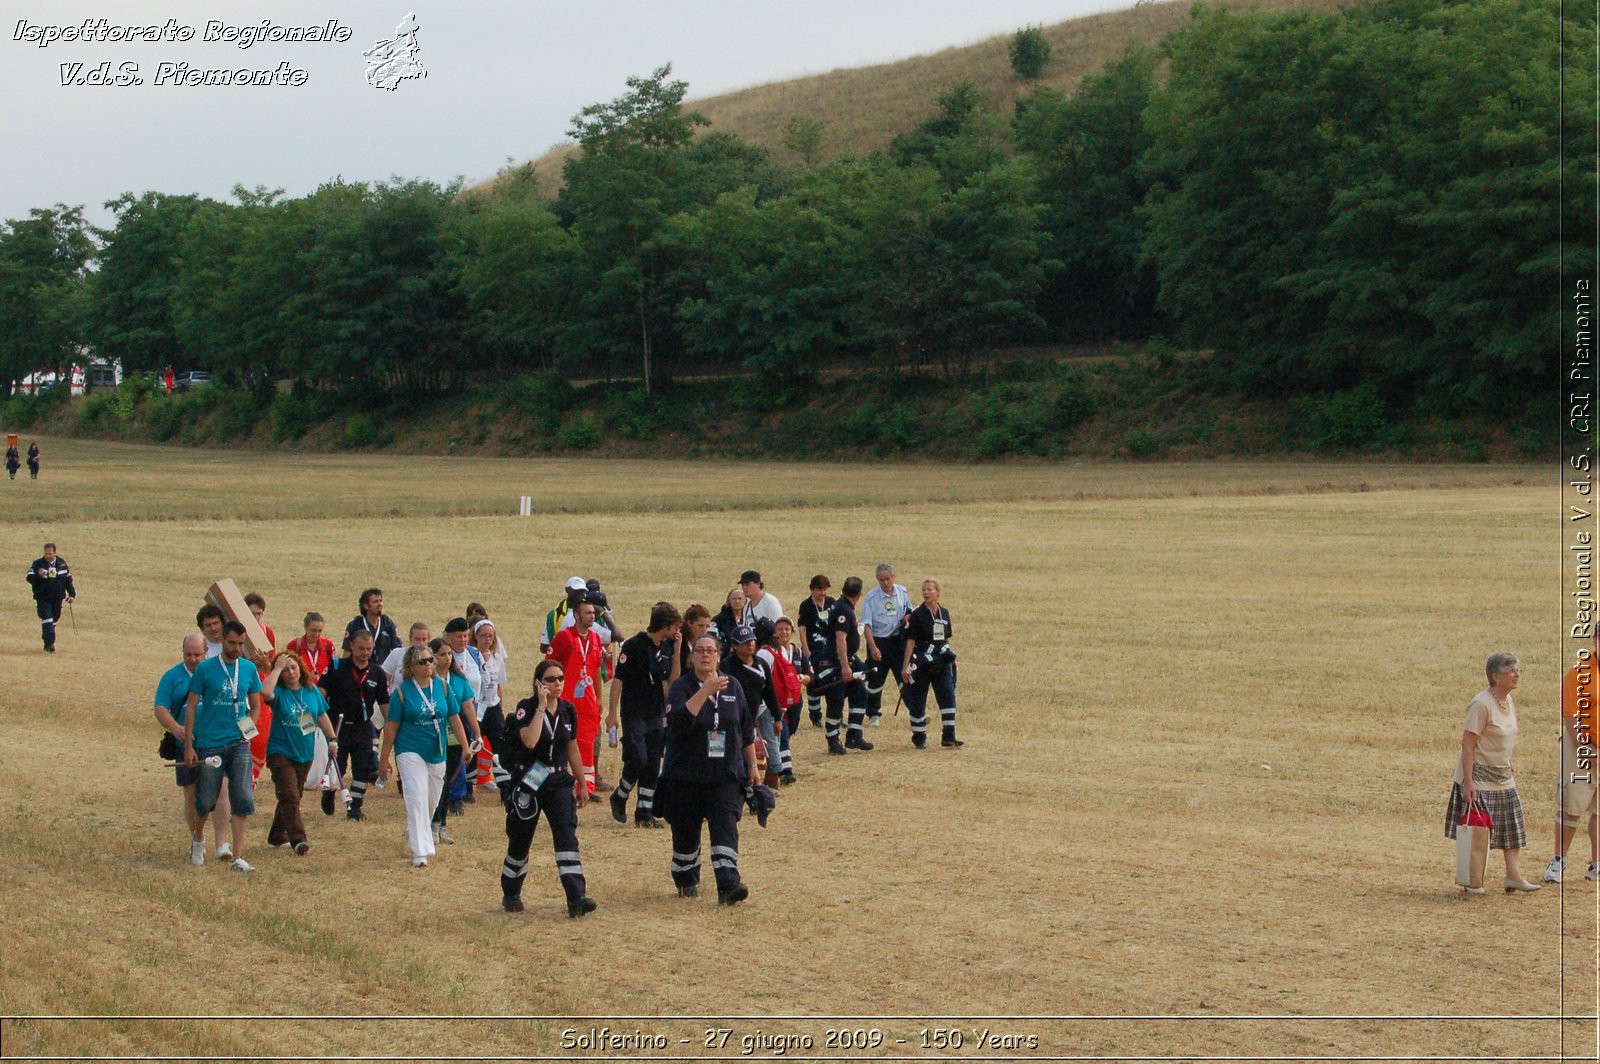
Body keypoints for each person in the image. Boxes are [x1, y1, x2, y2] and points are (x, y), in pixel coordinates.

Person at [661, 633, 760, 904]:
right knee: (685, 833)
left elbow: (745, 729)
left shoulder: (734, 686)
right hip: (687, 776)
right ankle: (685, 878)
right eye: (700, 651)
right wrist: (705, 691)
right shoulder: (682, 687)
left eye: (711, 651)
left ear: (718, 655)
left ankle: (729, 885)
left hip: (725, 774)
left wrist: (752, 765)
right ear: (692, 657)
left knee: (725, 826)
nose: (705, 655)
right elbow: (678, 724)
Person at [499, 659, 596, 917]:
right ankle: (511, 892)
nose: (557, 684)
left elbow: (572, 748)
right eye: (551, 679)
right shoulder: (526, 708)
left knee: (566, 835)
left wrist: (582, 783)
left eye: (560, 678)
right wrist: (541, 707)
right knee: (521, 838)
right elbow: (530, 742)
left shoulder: (568, 710)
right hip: (530, 780)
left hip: (558, 781)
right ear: (538, 683)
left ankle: (577, 898)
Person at [1445, 653, 1540, 894]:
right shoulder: (1481, 704)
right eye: (1511, 671)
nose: (1516, 674)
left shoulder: (1508, 702)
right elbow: (1467, 745)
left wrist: (1508, 763)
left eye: (1517, 670)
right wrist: (1468, 783)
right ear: (1495, 677)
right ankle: (1473, 880)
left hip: (1503, 775)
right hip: (1478, 777)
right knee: (1479, 830)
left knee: (1513, 826)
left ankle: (1513, 876)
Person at [379, 643, 471, 868]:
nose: (429, 664)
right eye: (423, 661)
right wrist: (384, 759)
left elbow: (454, 718)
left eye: (430, 660)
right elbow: (391, 727)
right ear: (411, 666)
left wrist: (466, 746)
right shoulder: (402, 693)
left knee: (432, 798)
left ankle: (416, 828)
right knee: (416, 795)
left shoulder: (442, 687)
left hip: (436, 751)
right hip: (409, 750)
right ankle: (420, 851)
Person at [182, 621, 263, 873]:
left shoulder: (248, 669)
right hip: (209, 744)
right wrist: (189, 745)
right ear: (222, 642)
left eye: (241, 644)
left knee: (242, 798)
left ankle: (238, 856)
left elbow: (257, 705)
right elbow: (192, 706)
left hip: (238, 744)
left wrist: (248, 730)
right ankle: (198, 838)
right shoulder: (205, 669)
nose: (237, 648)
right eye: (232, 643)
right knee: (205, 799)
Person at [154, 633, 232, 864]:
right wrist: (177, 729)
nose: (193, 659)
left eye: (197, 654)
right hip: (185, 745)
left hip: (216, 742)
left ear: (206, 651)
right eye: (188, 655)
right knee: (191, 794)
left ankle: (222, 844)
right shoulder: (172, 677)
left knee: (222, 790)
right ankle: (197, 838)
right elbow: (160, 708)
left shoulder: (218, 673)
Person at [607, 603, 682, 827]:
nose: (677, 632)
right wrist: (612, 714)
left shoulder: (667, 647)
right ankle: (620, 795)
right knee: (638, 757)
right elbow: (618, 680)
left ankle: (644, 813)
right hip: (634, 712)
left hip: (656, 713)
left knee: (652, 764)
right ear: (665, 626)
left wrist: (677, 652)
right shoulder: (633, 646)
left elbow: (673, 681)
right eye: (675, 627)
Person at [260, 649, 338, 855]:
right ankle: (298, 840)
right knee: (289, 794)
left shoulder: (311, 691)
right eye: (286, 670)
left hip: (304, 751)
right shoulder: (279, 693)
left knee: (294, 795)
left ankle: (277, 835)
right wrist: (275, 669)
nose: (290, 672)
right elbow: (265, 693)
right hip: (280, 751)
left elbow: (321, 715)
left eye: (293, 667)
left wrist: (332, 740)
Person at [316, 628, 389, 821]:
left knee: (362, 768)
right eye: (361, 648)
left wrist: (392, 725)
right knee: (336, 766)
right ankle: (329, 792)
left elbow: (384, 704)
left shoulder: (377, 673)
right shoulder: (336, 666)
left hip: (363, 726)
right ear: (352, 647)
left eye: (369, 648)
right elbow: (320, 692)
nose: (365, 653)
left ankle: (354, 807)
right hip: (337, 726)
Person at [1545, 631, 1600, 883]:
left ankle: (1596, 865)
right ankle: (1559, 861)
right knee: (1571, 806)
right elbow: (1571, 715)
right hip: (1580, 747)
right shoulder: (1579, 672)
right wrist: (1584, 747)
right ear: (1595, 641)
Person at [548, 600, 607, 798]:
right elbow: (549, 666)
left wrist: (599, 696)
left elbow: (597, 668)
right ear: (576, 614)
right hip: (567, 698)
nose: (592, 616)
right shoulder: (564, 637)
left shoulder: (596, 638)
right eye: (587, 613)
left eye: (593, 613)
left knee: (587, 741)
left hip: (588, 700)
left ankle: (586, 787)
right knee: (564, 740)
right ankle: (565, 784)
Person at [428, 637, 480, 846]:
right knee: (435, 782)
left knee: (448, 781)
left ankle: (441, 825)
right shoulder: (428, 681)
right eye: (442, 654)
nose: (447, 658)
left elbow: (468, 707)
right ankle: (431, 823)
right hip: (433, 736)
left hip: (455, 736)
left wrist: (476, 733)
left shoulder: (458, 680)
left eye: (449, 654)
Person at [900, 577, 962, 749]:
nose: (926, 593)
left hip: (941, 662)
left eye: (930, 590)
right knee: (918, 699)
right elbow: (910, 641)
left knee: (947, 695)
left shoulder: (944, 613)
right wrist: (906, 666)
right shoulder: (917, 614)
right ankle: (919, 736)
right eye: (924, 590)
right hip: (922, 663)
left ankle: (949, 736)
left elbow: (946, 638)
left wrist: (951, 661)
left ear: (938, 592)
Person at [816, 576, 871, 755]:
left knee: (860, 692)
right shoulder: (843, 610)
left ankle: (854, 735)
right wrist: (845, 666)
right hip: (835, 663)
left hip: (847, 661)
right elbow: (841, 639)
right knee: (836, 699)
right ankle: (832, 740)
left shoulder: (845, 607)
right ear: (860, 594)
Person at [723, 624, 780, 789]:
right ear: (734, 645)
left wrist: (777, 717)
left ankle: (753, 789)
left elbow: (770, 691)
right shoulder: (726, 666)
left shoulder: (761, 664)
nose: (750, 645)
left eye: (752, 641)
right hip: (730, 718)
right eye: (745, 642)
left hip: (751, 719)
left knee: (752, 756)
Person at [757, 616, 808, 785]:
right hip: (782, 701)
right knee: (778, 737)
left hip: (766, 704)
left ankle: (774, 777)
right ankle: (780, 772)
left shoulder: (764, 653)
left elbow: (762, 680)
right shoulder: (781, 650)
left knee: (772, 739)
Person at [861, 563, 913, 728]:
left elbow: (909, 611)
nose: (885, 583)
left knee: (905, 677)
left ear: (893, 578)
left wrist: (907, 618)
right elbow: (866, 626)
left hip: (897, 641)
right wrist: (873, 647)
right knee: (876, 680)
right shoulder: (871, 598)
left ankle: (915, 712)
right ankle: (873, 714)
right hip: (878, 641)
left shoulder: (902, 592)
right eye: (881, 580)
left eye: (887, 579)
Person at [796, 575, 834, 727]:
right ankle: (815, 717)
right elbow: (802, 628)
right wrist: (806, 649)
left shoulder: (832, 603)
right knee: (813, 683)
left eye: (825, 589)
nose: (822, 592)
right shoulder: (806, 606)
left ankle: (834, 715)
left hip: (830, 650)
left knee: (833, 683)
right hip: (814, 650)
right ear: (812, 589)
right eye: (819, 589)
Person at [25, 542, 75, 653]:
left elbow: (68, 580)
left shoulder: (62, 564)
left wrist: (71, 594)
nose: (47, 556)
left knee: (54, 620)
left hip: (57, 598)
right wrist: (39, 575)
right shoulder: (38, 564)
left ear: (55, 553)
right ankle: (50, 645)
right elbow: (29, 577)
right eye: (46, 554)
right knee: (47, 619)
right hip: (43, 597)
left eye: (49, 554)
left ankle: (47, 639)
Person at [344, 587, 401, 668]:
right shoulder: (355, 625)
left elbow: (397, 651)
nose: (380, 604)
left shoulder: (388, 624)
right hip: (360, 669)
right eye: (375, 602)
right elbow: (347, 652)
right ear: (366, 606)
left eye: (381, 601)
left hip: (383, 672)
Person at [286, 612, 336, 684]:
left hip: (324, 689)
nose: (316, 634)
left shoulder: (328, 645)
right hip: (303, 687)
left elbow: (333, 668)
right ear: (305, 628)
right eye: (313, 630)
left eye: (319, 631)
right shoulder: (294, 645)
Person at [383, 621, 432, 692]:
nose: (421, 643)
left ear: (429, 640)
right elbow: (383, 679)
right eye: (417, 639)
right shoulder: (397, 653)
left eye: (424, 639)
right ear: (410, 638)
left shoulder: (431, 659)